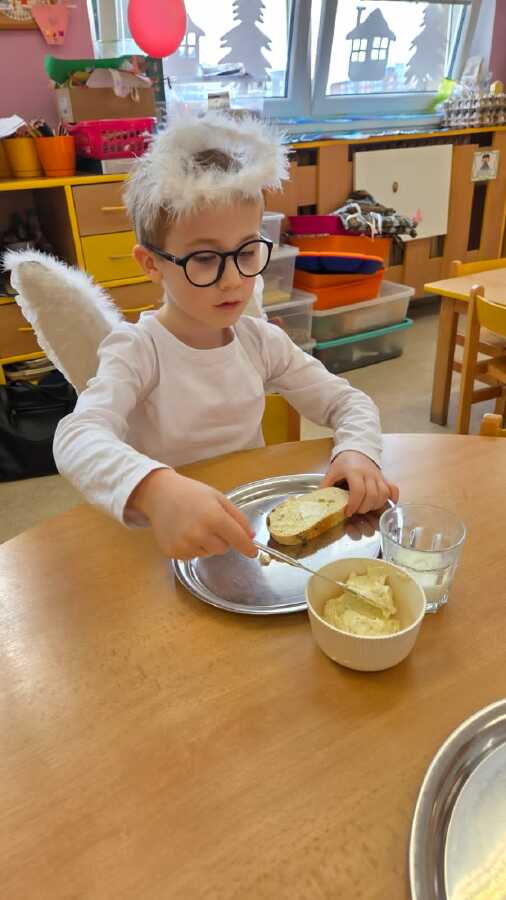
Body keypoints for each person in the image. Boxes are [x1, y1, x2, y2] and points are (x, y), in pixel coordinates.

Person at [54, 110, 399, 562]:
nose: (234, 280)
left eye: (248, 251)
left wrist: (357, 452)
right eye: (204, 259)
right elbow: (76, 437)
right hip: (168, 542)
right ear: (151, 264)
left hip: (248, 528)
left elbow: (347, 402)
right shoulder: (138, 350)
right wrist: (154, 489)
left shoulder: (260, 341)